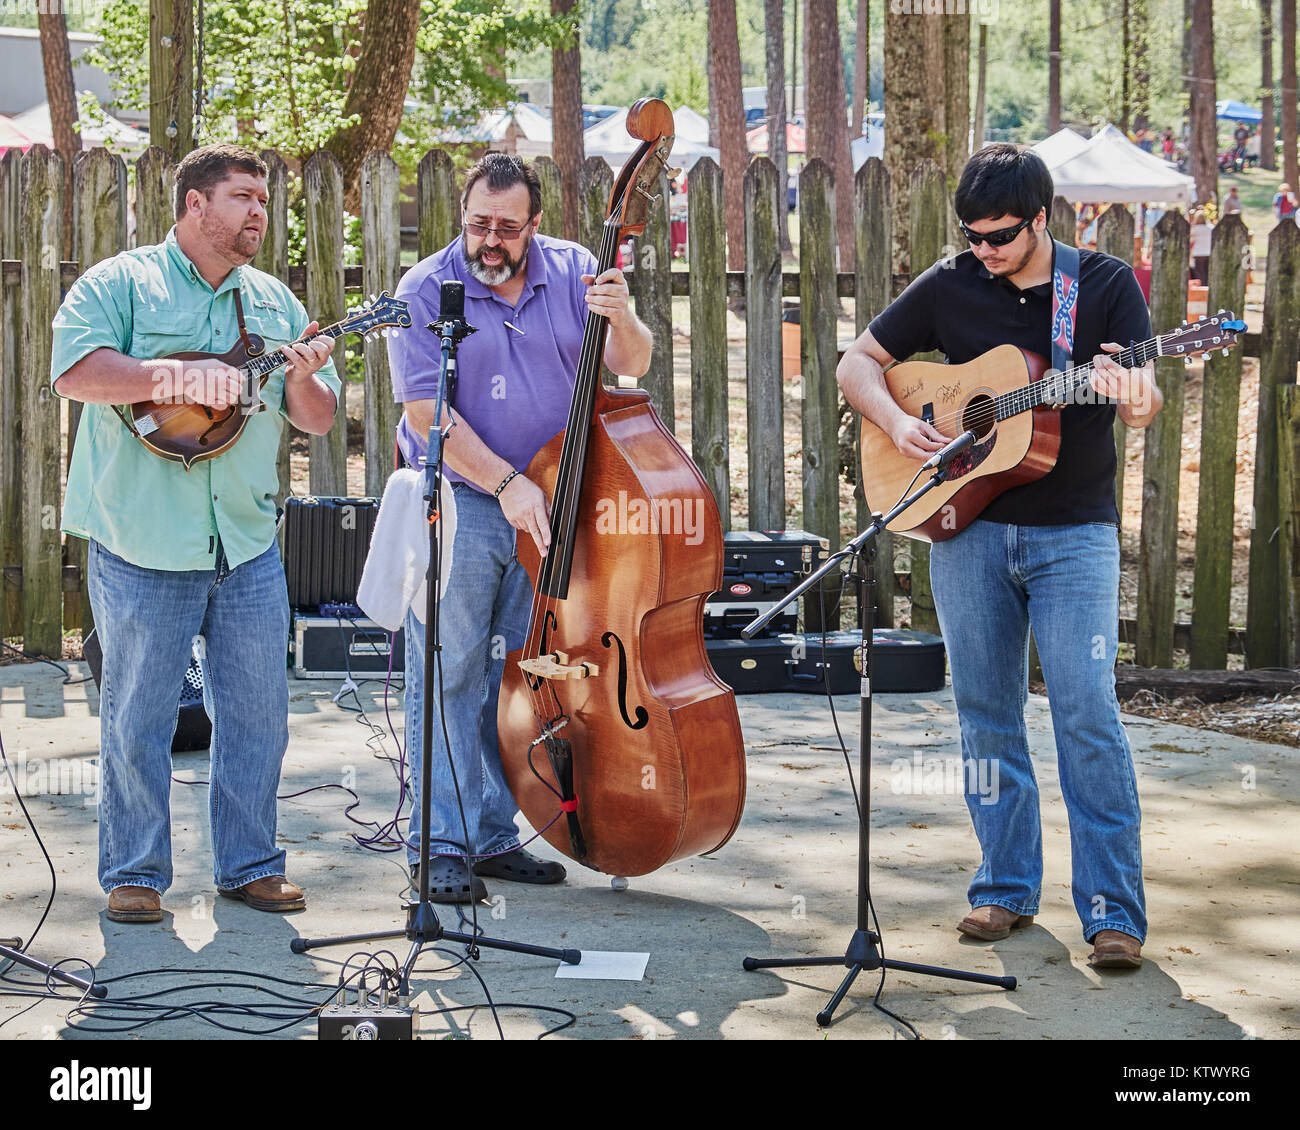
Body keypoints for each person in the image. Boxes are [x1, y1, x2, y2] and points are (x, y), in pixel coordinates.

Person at [837, 143, 1162, 970]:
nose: (985, 250)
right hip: (968, 528)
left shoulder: (1105, 285)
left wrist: (1135, 393)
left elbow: (1144, 406)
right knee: (985, 712)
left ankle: (1112, 914)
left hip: (1073, 535)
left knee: (1086, 713)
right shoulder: (952, 282)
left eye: (1002, 236)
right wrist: (897, 421)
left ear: (1042, 218)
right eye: (974, 235)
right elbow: (857, 362)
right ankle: (1004, 890)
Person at [50, 143, 340, 923]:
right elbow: (74, 372)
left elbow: (315, 417)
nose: (258, 212)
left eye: (263, 200)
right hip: (143, 540)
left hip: (244, 542)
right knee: (138, 716)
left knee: (256, 716)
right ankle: (135, 873)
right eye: (243, 196)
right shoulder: (122, 283)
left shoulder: (274, 304)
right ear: (195, 204)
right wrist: (169, 377)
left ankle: (249, 864)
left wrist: (308, 375)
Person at [386, 154, 652, 903]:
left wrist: (620, 314)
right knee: (450, 668)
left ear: (535, 223)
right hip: (468, 499)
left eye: (507, 226)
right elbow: (425, 414)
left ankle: (493, 836)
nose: (491, 240)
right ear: (461, 218)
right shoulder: (425, 289)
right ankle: (437, 846)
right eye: (478, 224)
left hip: (559, 500)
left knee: (516, 677)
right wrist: (504, 485)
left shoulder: (572, 270)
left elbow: (631, 363)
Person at [1189, 208, 1213, 284]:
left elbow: (1190, 241)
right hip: (1208, 252)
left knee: (1199, 274)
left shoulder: (1194, 229)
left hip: (1198, 253)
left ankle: (1201, 289)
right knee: (1207, 272)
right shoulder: (1210, 228)